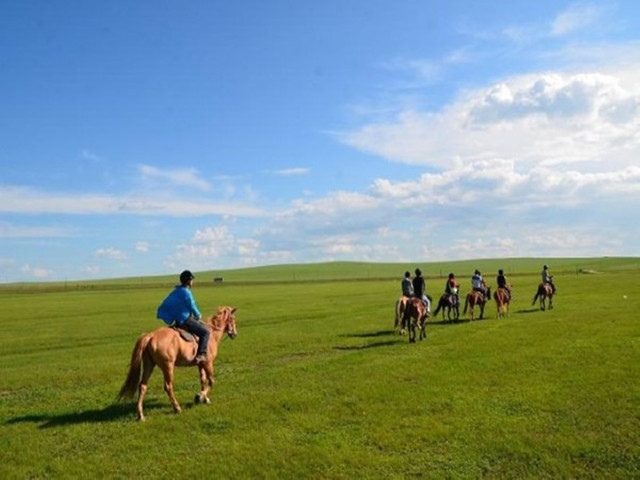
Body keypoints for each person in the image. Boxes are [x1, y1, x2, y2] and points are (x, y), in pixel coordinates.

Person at [157, 270, 209, 364]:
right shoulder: (186, 292)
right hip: (185, 320)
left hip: (176, 320)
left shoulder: (176, 291)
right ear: (188, 281)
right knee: (205, 332)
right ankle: (202, 354)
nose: (192, 281)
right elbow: (192, 305)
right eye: (191, 279)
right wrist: (198, 315)